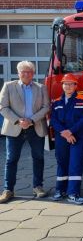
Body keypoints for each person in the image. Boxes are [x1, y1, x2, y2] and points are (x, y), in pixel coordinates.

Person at [0, 61, 50, 203]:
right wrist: (18, 121)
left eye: (29, 71)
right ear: (18, 73)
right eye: (23, 71)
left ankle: (38, 187)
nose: (26, 74)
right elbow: (3, 107)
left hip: (36, 127)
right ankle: (8, 190)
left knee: (38, 158)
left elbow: (46, 107)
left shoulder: (41, 88)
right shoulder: (9, 86)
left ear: (33, 73)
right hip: (15, 127)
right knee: (11, 160)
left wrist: (32, 120)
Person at [50, 74, 83, 204]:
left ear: (75, 86)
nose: (68, 86)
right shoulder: (56, 102)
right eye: (65, 84)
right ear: (62, 85)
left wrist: (71, 131)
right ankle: (60, 190)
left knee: (75, 163)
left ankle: (73, 193)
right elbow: (53, 120)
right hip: (62, 137)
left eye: (71, 84)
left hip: (78, 137)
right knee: (62, 162)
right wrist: (65, 133)